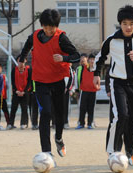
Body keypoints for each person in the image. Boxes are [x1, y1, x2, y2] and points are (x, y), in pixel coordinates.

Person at [93, 5, 133, 166]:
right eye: (124, 23)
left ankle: (129, 150)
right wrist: (96, 75)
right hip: (118, 83)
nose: (128, 27)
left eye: (131, 23)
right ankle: (113, 151)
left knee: (132, 120)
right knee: (120, 115)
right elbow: (100, 58)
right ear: (120, 24)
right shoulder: (112, 40)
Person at [18, 9, 80, 160]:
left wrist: (64, 58)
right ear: (42, 25)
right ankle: (46, 151)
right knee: (45, 112)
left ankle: (58, 138)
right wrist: (22, 60)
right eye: (46, 27)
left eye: (52, 27)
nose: (49, 30)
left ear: (56, 26)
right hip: (40, 81)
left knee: (59, 114)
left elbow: (76, 56)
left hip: (59, 80)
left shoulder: (61, 38)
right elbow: (26, 47)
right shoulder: (34, 36)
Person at [7, 56, 31, 130]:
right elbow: (13, 81)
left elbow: (29, 81)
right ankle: (10, 124)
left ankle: (24, 123)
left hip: (25, 92)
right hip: (16, 92)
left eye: (22, 61)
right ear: (17, 61)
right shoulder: (14, 70)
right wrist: (16, 90)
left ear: (25, 61)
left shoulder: (29, 69)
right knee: (13, 108)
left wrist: (25, 91)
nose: (21, 63)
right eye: (19, 61)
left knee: (24, 108)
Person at [76, 53, 99, 129]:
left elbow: (98, 79)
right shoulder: (84, 68)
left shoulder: (96, 69)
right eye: (91, 59)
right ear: (88, 60)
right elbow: (79, 78)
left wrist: (97, 86)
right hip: (84, 90)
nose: (92, 61)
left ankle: (90, 123)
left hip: (93, 91)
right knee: (82, 108)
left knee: (91, 108)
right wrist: (77, 90)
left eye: (93, 59)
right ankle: (81, 123)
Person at [63, 64, 75, 129]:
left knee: (66, 107)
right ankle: (56, 122)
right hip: (58, 90)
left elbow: (71, 79)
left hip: (66, 91)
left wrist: (67, 88)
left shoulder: (69, 69)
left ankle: (65, 122)